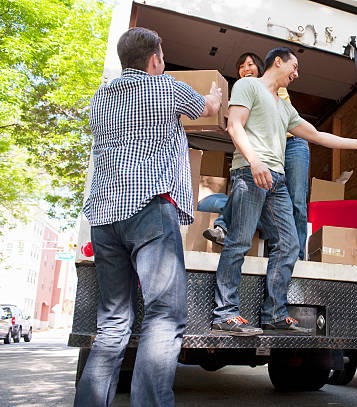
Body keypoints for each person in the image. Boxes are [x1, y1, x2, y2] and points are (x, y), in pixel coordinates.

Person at [74, 27, 222, 407]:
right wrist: (216, 95)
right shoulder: (165, 88)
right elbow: (204, 108)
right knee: (163, 316)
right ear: (155, 58)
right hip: (148, 210)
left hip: (104, 216)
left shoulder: (99, 98)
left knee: (111, 325)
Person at [211, 47, 357, 336]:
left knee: (289, 244)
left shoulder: (285, 107)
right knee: (238, 242)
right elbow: (235, 126)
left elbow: (317, 135)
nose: (296, 74)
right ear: (277, 61)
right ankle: (225, 315)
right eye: (293, 67)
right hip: (251, 172)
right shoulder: (249, 85)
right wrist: (254, 161)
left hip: (277, 181)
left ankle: (274, 313)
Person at [204, 52, 311, 260]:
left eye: (251, 64)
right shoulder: (245, 89)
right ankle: (227, 227)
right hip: (266, 152)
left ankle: (297, 255)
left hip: (292, 143)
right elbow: (237, 123)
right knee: (246, 187)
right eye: (241, 66)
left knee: (296, 199)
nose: (246, 69)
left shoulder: (273, 86)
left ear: (262, 68)